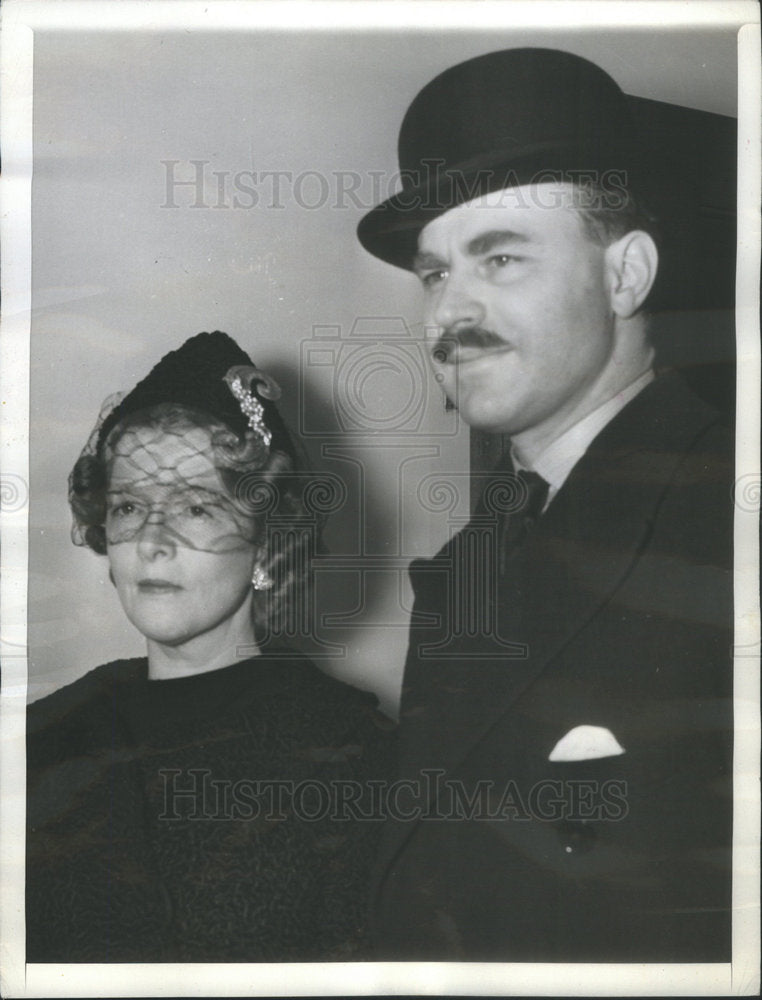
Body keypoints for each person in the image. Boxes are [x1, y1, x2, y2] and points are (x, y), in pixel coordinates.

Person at [357, 48, 733, 961]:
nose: (451, 313)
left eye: (502, 257)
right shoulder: (469, 568)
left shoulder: (730, 512)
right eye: (436, 273)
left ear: (625, 275)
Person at [26, 330, 391, 963]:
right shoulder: (41, 740)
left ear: (266, 540)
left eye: (195, 508)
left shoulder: (357, 759)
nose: (151, 540)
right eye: (129, 507)